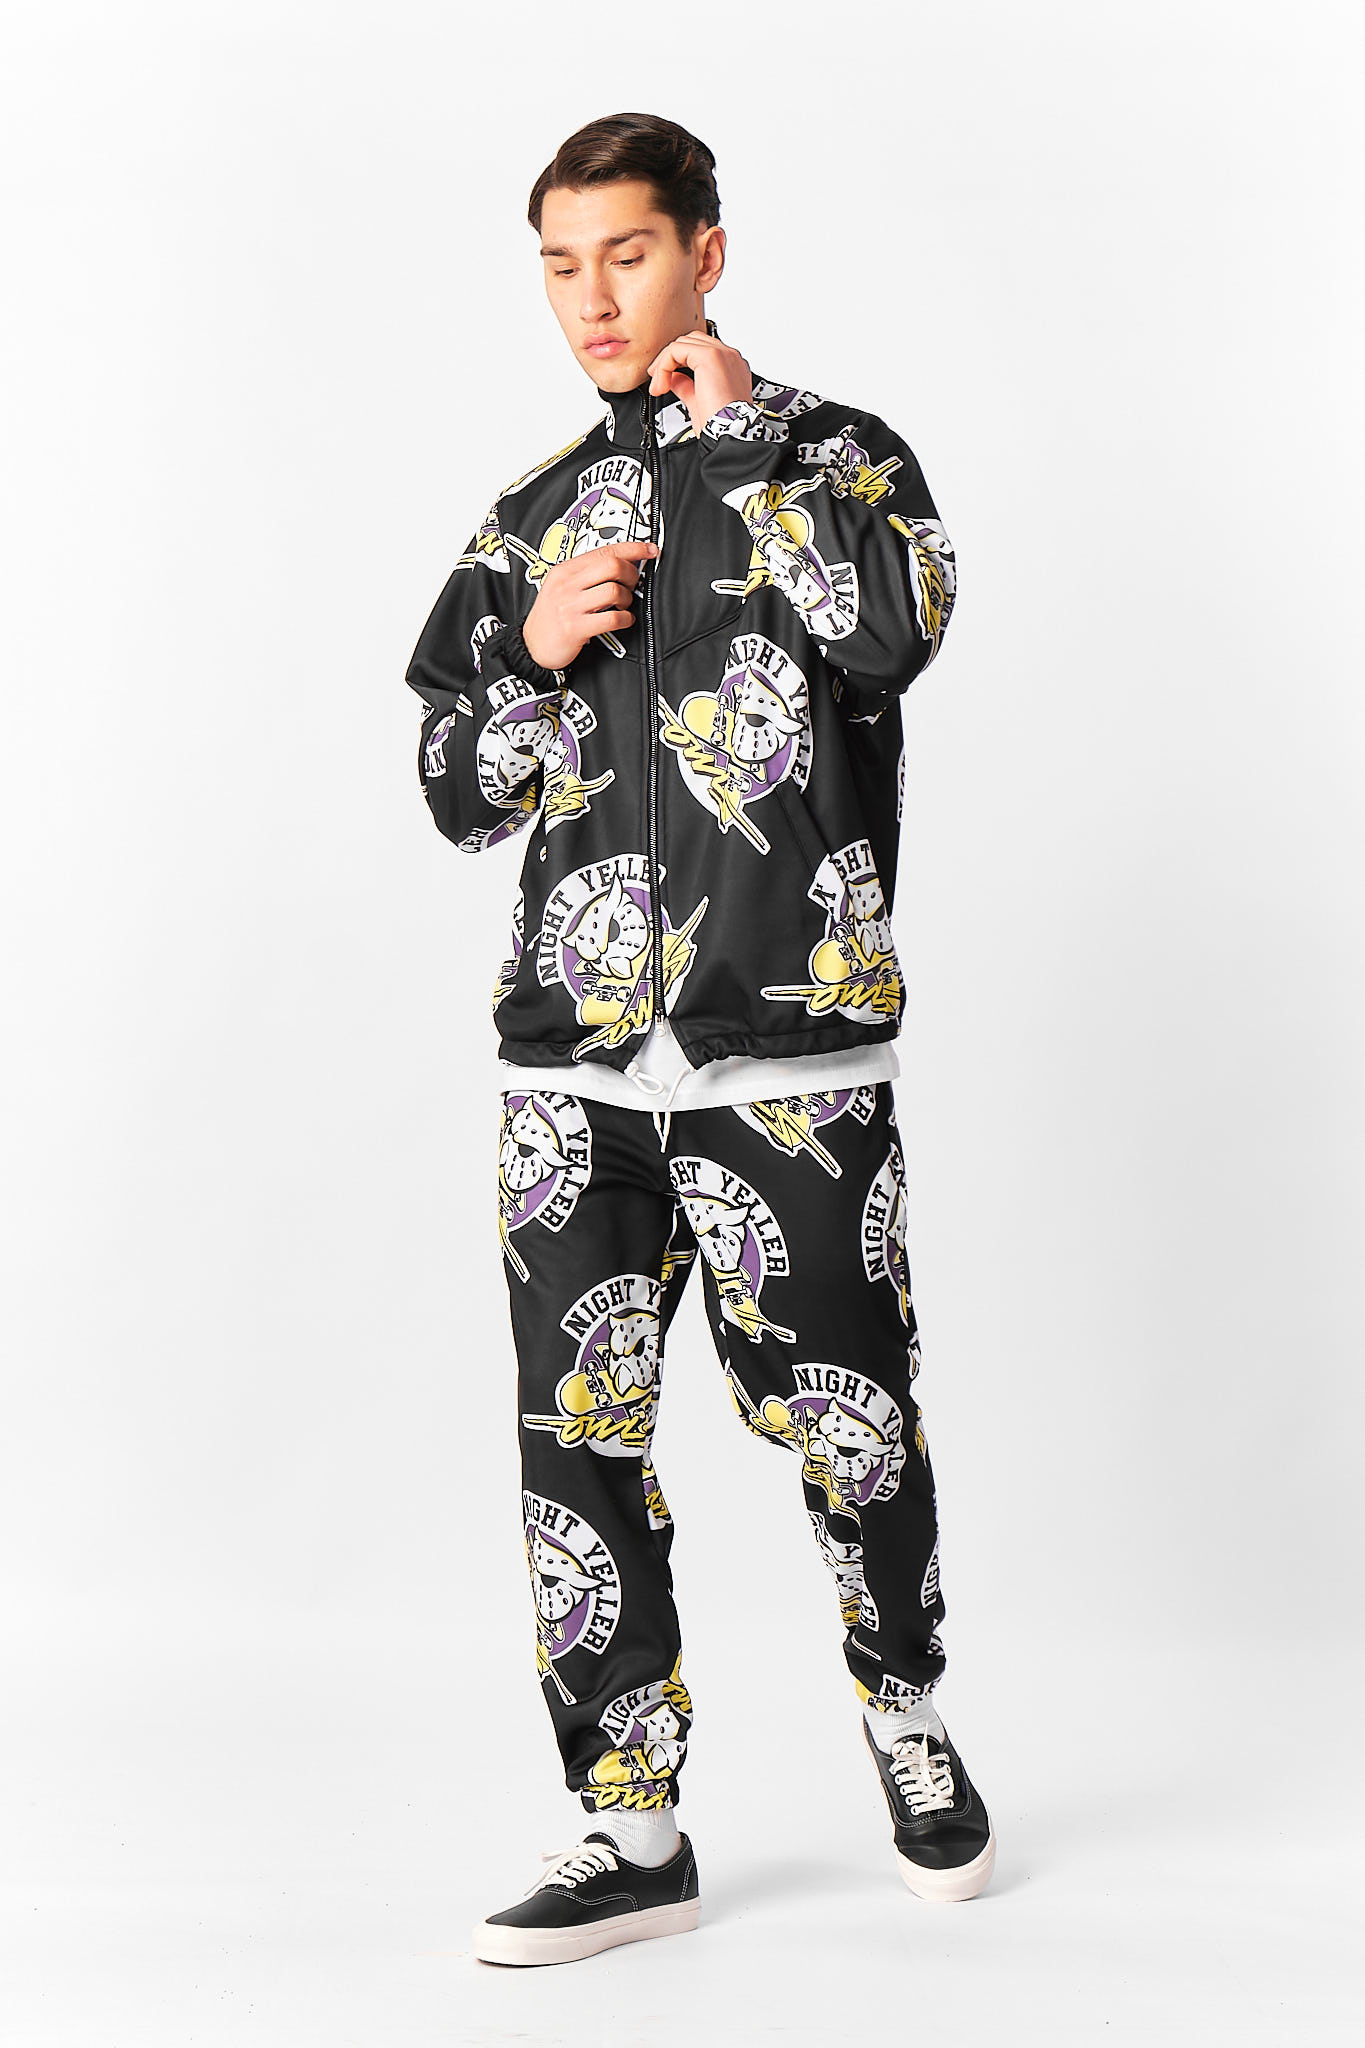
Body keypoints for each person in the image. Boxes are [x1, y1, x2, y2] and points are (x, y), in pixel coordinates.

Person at [404, 111, 993, 1968]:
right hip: (570, 1077)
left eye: (628, 254)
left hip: (789, 1061)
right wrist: (529, 659)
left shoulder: (836, 453)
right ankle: (627, 1824)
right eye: (561, 265)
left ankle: (906, 1713)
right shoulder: (528, 517)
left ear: (706, 255)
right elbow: (454, 787)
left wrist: (741, 451)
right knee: (574, 1452)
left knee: (853, 1430)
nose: (593, 298)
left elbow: (892, 633)